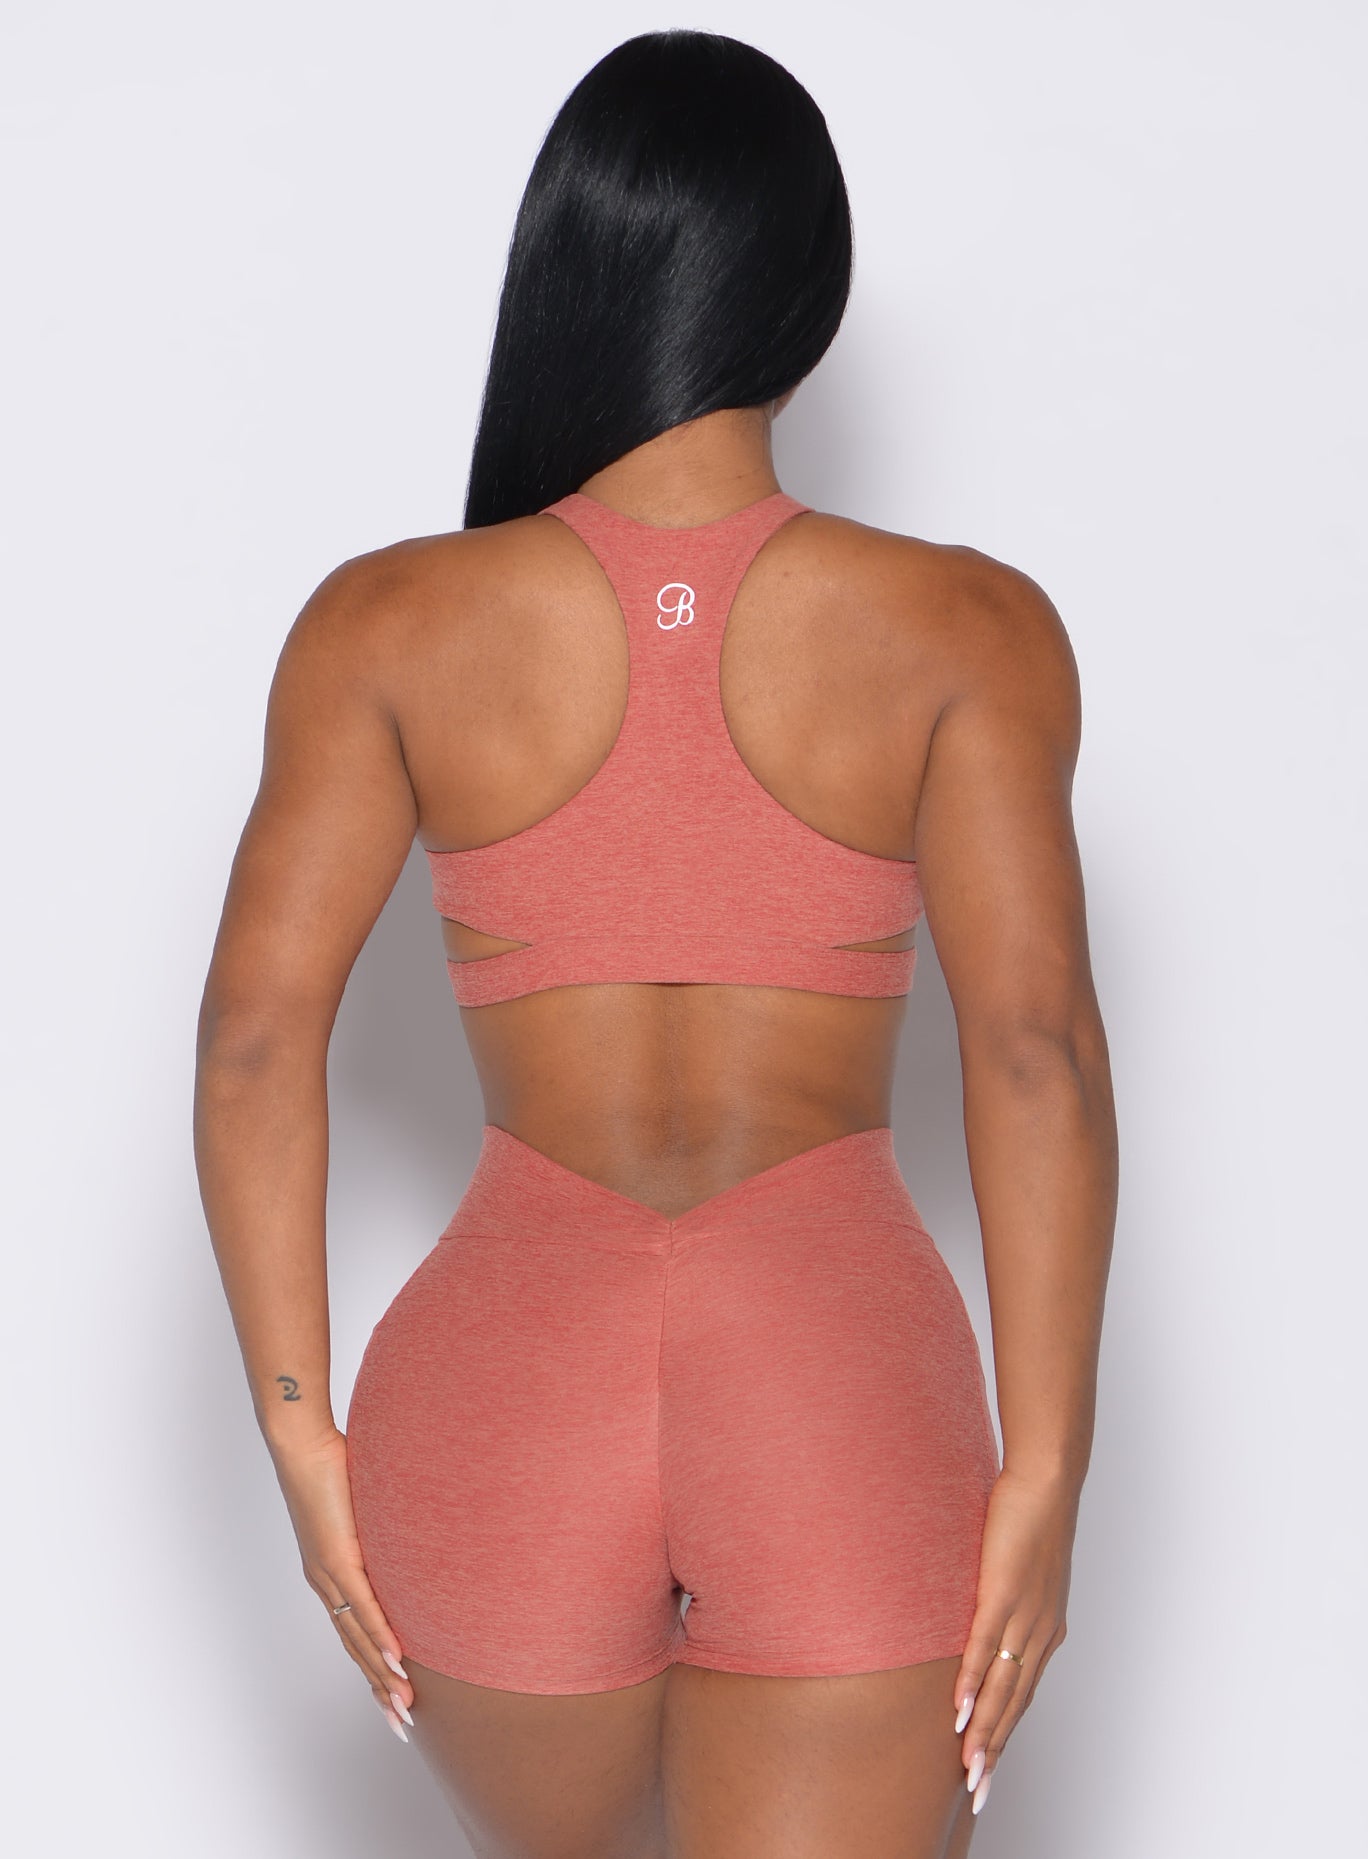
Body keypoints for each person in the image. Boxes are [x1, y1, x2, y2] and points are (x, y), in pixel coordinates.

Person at [194, 27, 1116, 1859]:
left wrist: (302, 1435)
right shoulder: (965, 628)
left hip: (504, 1378)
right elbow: (1036, 1057)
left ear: (571, 273)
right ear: (807, 298)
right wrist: (1048, 1470)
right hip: (833, 1364)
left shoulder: (387, 623)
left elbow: (251, 1043)